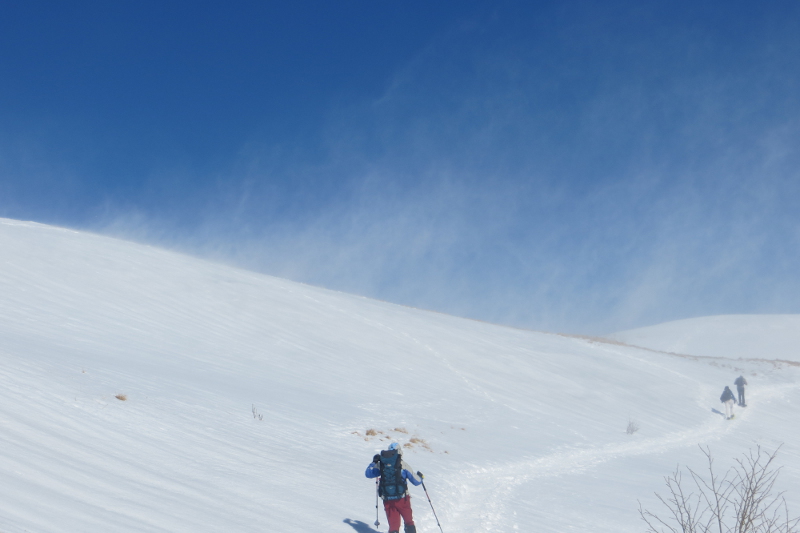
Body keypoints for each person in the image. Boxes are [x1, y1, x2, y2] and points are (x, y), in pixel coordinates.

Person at [365, 443, 422, 533]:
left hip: (387, 499)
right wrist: (421, 477)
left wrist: (374, 462)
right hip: (402, 499)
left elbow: (368, 474)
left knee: (393, 526)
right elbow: (416, 481)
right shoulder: (403, 464)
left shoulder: (381, 464)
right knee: (409, 522)